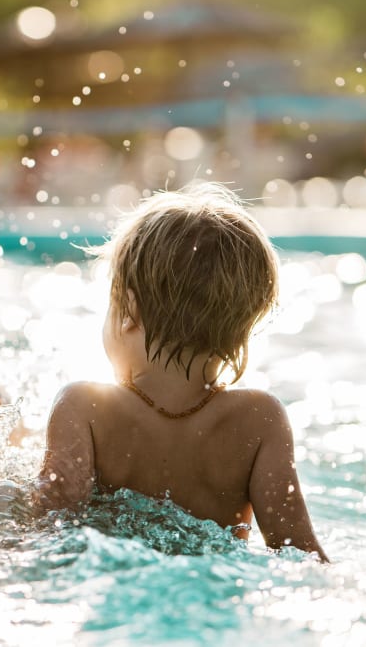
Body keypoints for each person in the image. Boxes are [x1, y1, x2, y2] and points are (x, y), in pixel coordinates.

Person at [32, 183, 328, 562]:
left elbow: (49, 532)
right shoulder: (260, 419)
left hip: (116, 583)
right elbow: (299, 552)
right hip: (217, 594)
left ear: (129, 313)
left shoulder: (85, 407)